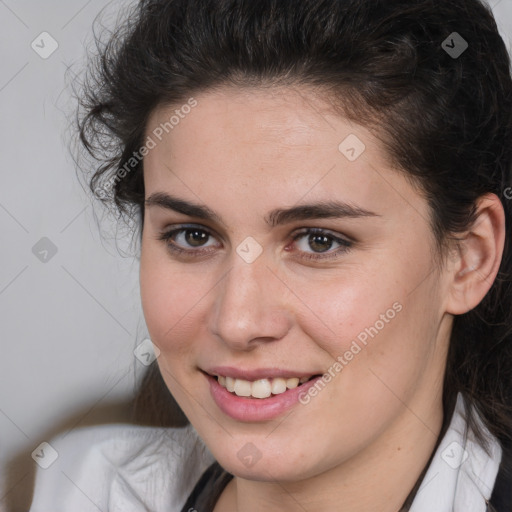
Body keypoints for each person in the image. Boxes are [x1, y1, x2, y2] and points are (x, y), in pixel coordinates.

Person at [29, 0, 512, 510]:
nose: (237, 322)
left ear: (468, 258)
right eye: (193, 236)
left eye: (318, 241)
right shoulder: (83, 487)